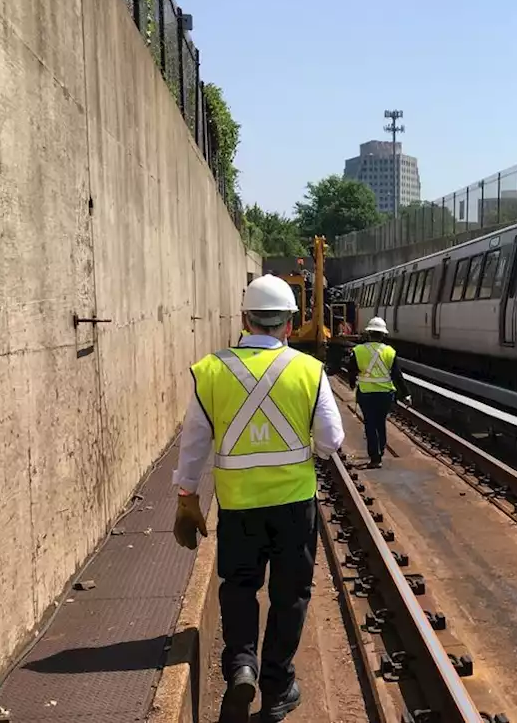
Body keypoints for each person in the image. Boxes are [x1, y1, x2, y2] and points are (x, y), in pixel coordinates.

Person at [172, 274, 345, 723]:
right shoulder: (308, 370)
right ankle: (277, 683)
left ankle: (242, 665)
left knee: (240, 587)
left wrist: (187, 494)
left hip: (239, 508)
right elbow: (331, 440)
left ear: (245, 319)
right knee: (290, 596)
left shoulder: (212, 370)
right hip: (293, 507)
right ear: (289, 324)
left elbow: (194, 441)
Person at [343, 316, 410, 469]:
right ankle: (381, 450)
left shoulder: (358, 351)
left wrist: (352, 384)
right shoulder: (390, 352)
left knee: (370, 424)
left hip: (366, 394)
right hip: (385, 395)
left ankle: (375, 457)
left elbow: (351, 370)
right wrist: (405, 394)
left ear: (368, 333)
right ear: (383, 335)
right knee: (381, 423)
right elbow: (397, 375)